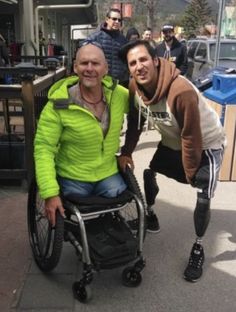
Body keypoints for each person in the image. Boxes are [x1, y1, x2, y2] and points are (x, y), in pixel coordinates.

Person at [118, 39, 226, 282]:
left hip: (205, 143)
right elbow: (136, 123)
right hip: (174, 140)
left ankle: (198, 247)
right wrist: (126, 152)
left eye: (143, 59)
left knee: (203, 195)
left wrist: (190, 175)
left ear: (156, 61)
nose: (139, 66)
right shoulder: (135, 87)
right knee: (149, 172)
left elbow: (191, 136)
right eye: (133, 63)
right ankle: (151, 216)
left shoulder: (181, 91)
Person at [34, 41, 129, 227]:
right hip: (73, 177)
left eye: (96, 63)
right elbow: (43, 149)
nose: (90, 68)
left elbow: (145, 103)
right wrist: (50, 193)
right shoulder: (58, 104)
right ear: (75, 67)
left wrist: (128, 150)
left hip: (107, 173)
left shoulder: (118, 95)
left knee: (122, 198)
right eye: (84, 63)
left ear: (106, 69)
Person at [87, 8, 129, 87]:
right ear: (107, 19)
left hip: (119, 84)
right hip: (100, 83)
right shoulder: (95, 38)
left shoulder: (124, 41)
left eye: (119, 20)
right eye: (114, 19)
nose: (117, 22)